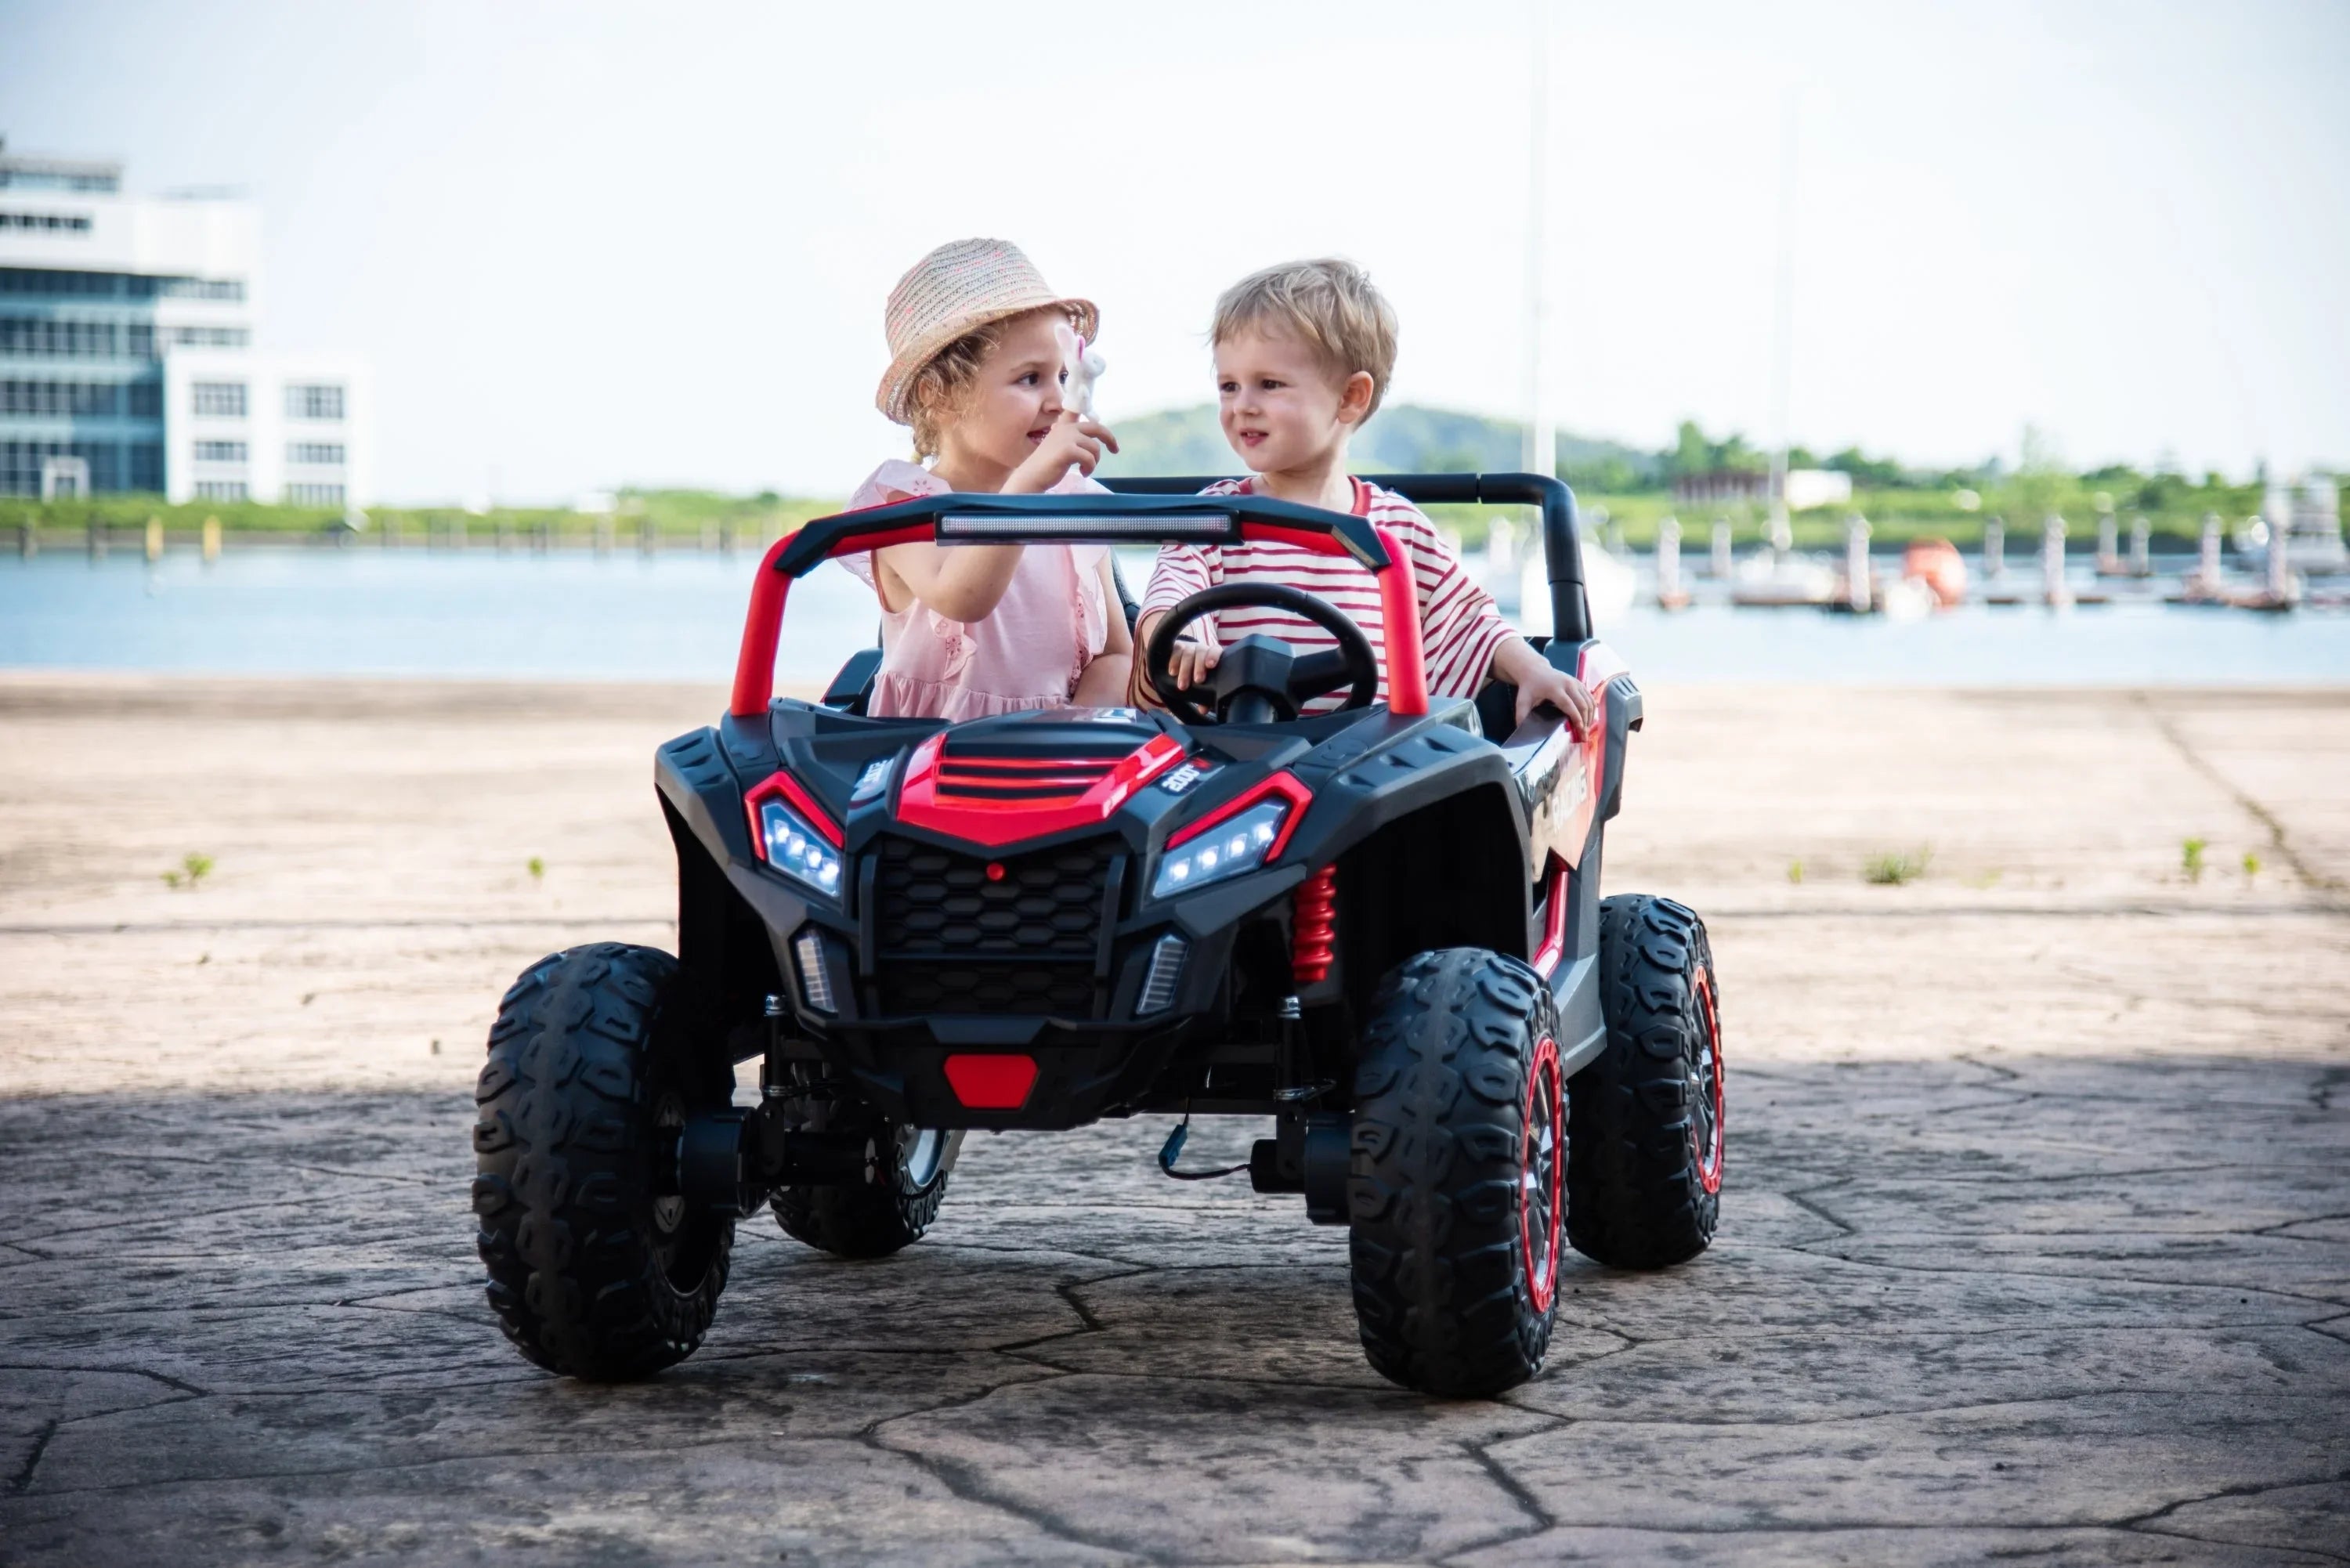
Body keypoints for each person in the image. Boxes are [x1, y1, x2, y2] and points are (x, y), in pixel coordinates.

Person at [1131, 258, 1594, 737]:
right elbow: (1169, 597)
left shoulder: (1397, 529)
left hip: (1363, 766)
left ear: (1351, 397)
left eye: (1268, 384)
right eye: (1229, 386)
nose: (1242, 405)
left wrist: (1531, 670)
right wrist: (1182, 643)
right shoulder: (1213, 519)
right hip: (1232, 758)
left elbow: (1469, 621)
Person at [842, 237, 1132, 721]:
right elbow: (963, 599)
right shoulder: (900, 502)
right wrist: (1029, 485)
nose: (1059, 401)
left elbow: (1116, 656)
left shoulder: (1074, 502)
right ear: (940, 394)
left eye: (1064, 376)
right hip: (926, 758)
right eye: (1030, 379)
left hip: (1060, 755)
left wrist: (1073, 729)